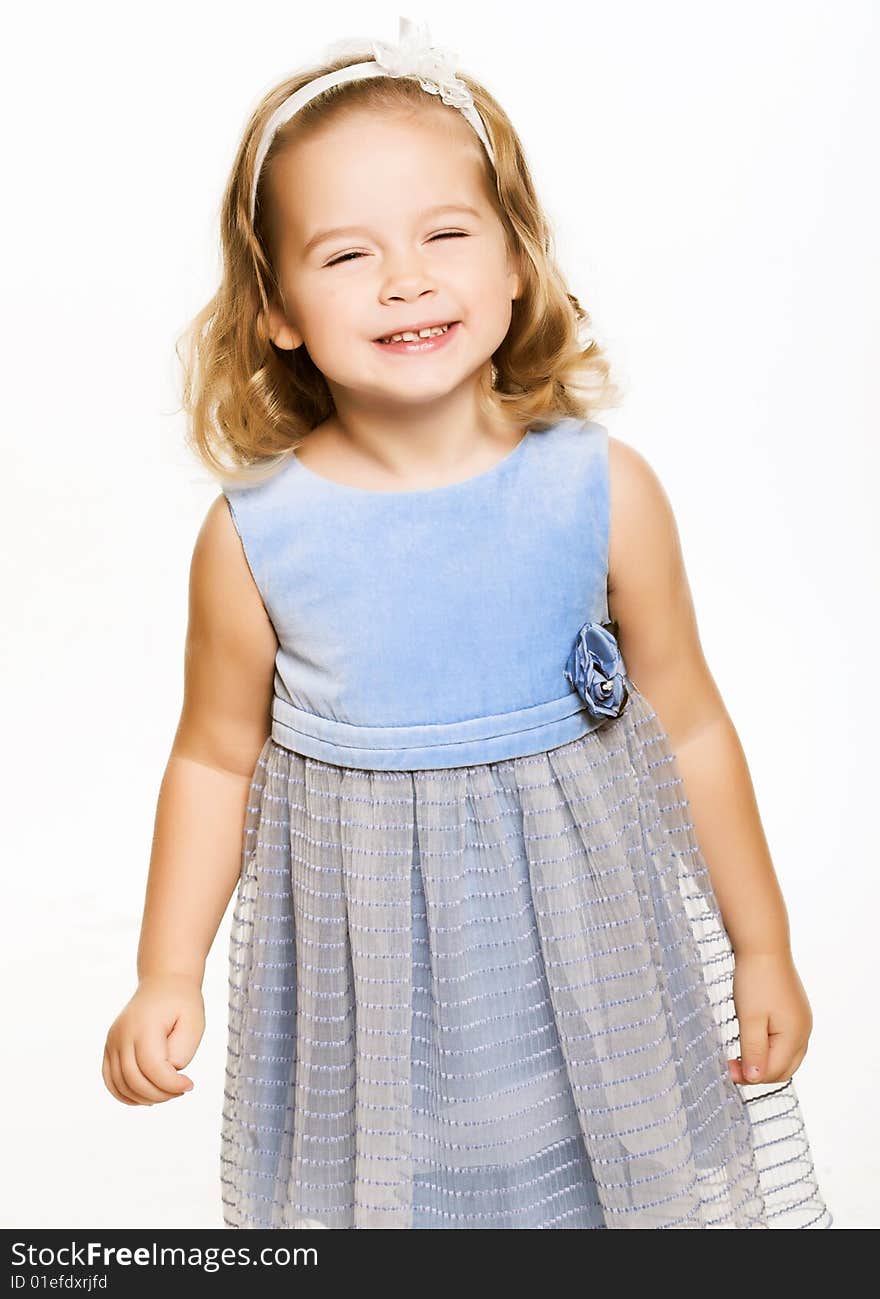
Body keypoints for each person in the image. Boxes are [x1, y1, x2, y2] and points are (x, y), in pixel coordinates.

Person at [102, 16, 833, 1230]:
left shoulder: (601, 490)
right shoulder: (258, 536)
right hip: (376, 982)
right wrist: (164, 971)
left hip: (591, 965)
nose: (405, 279)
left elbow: (691, 726)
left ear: (513, 264)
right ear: (276, 309)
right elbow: (213, 757)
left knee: (605, 1201)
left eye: (445, 234)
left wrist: (761, 946)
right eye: (345, 256)